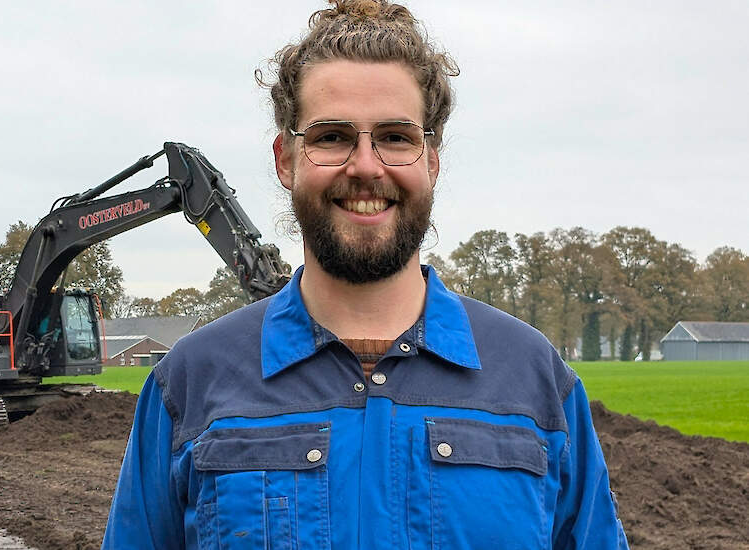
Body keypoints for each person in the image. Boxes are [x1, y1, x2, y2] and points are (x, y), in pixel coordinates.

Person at [103, 1, 629, 548]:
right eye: (331, 136)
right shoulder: (189, 383)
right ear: (286, 159)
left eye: (396, 137)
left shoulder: (535, 381)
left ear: (432, 159)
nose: (366, 166)